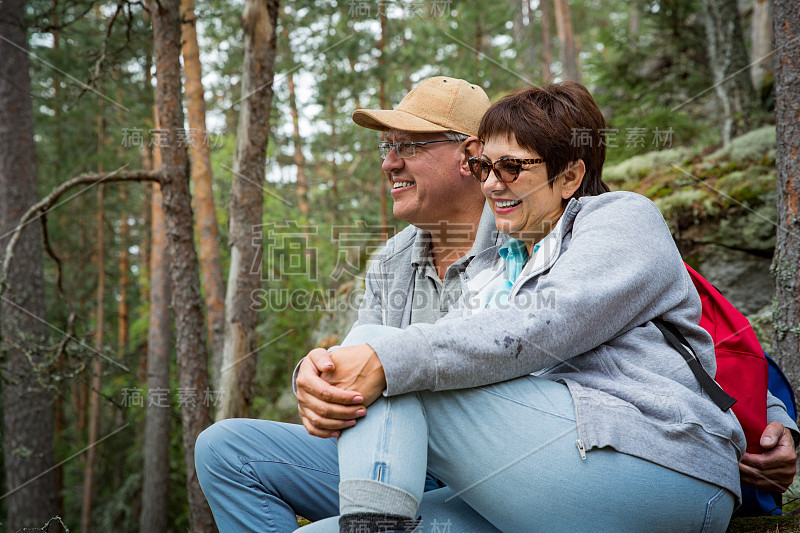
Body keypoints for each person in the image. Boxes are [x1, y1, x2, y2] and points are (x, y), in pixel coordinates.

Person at [193, 77, 797, 533]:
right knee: (225, 449)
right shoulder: (416, 257)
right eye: (386, 147)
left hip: (616, 454)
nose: (390, 161)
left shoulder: (593, 221)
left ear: (470, 153)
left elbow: (691, 330)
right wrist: (313, 376)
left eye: (409, 144)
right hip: (459, 468)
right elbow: (360, 360)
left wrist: (774, 416)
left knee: (399, 367)